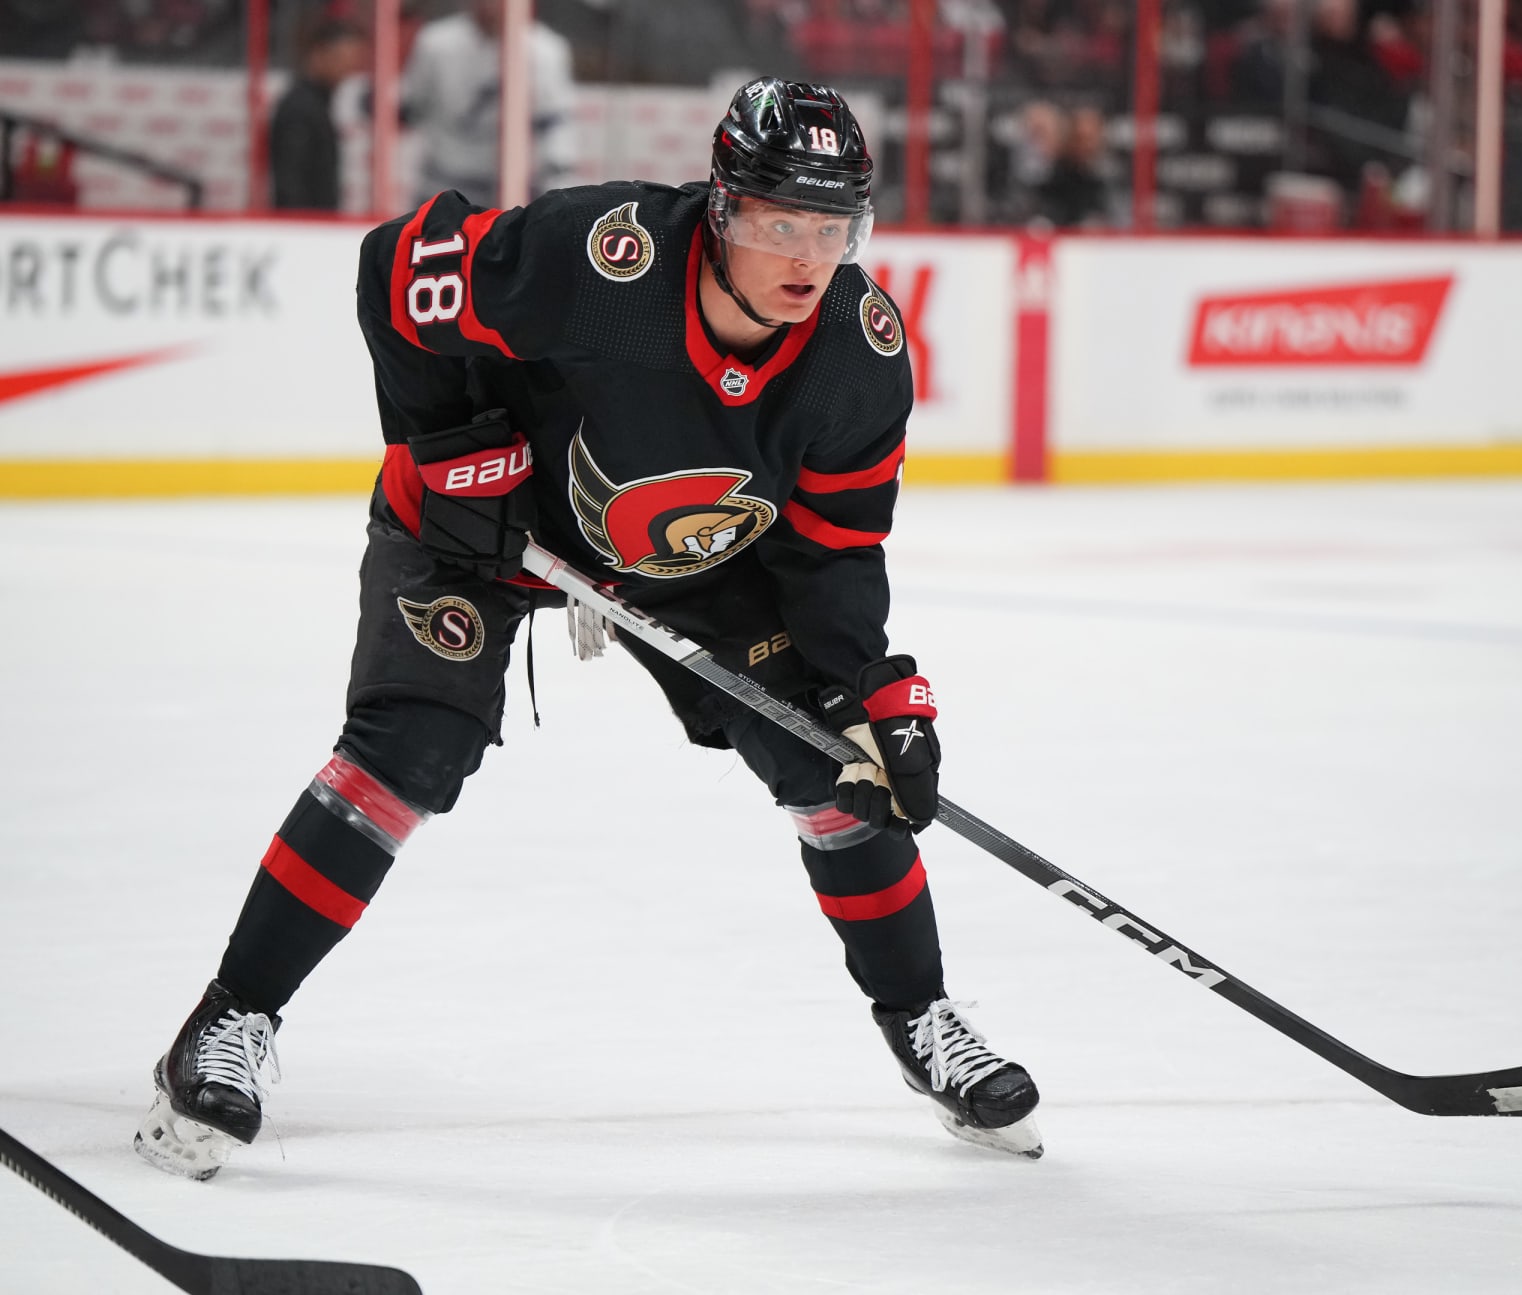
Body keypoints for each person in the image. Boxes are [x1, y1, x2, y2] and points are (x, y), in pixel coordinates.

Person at [131, 78, 1043, 1183]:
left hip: (693, 553)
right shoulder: (604, 261)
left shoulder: (860, 351)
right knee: (407, 753)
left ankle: (922, 1019)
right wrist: (444, 445)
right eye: (778, 223)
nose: (807, 257)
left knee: (835, 763)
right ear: (720, 207)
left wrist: (868, 685)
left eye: (832, 227)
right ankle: (230, 1019)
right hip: (487, 523)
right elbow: (397, 265)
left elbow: (834, 545)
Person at [399, 0, 577, 208]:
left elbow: (555, 123)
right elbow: (412, 105)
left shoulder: (544, 50)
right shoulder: (436, 43)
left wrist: (555, 185)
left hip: (514, 189)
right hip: (443, 183)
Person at [269, 15, 369, 212]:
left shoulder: (320, 102)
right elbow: (290, 180)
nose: (348, 69)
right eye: (341, 59)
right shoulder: (300, 106)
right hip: (305, 225)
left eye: (353, 60)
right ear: (318, 55)